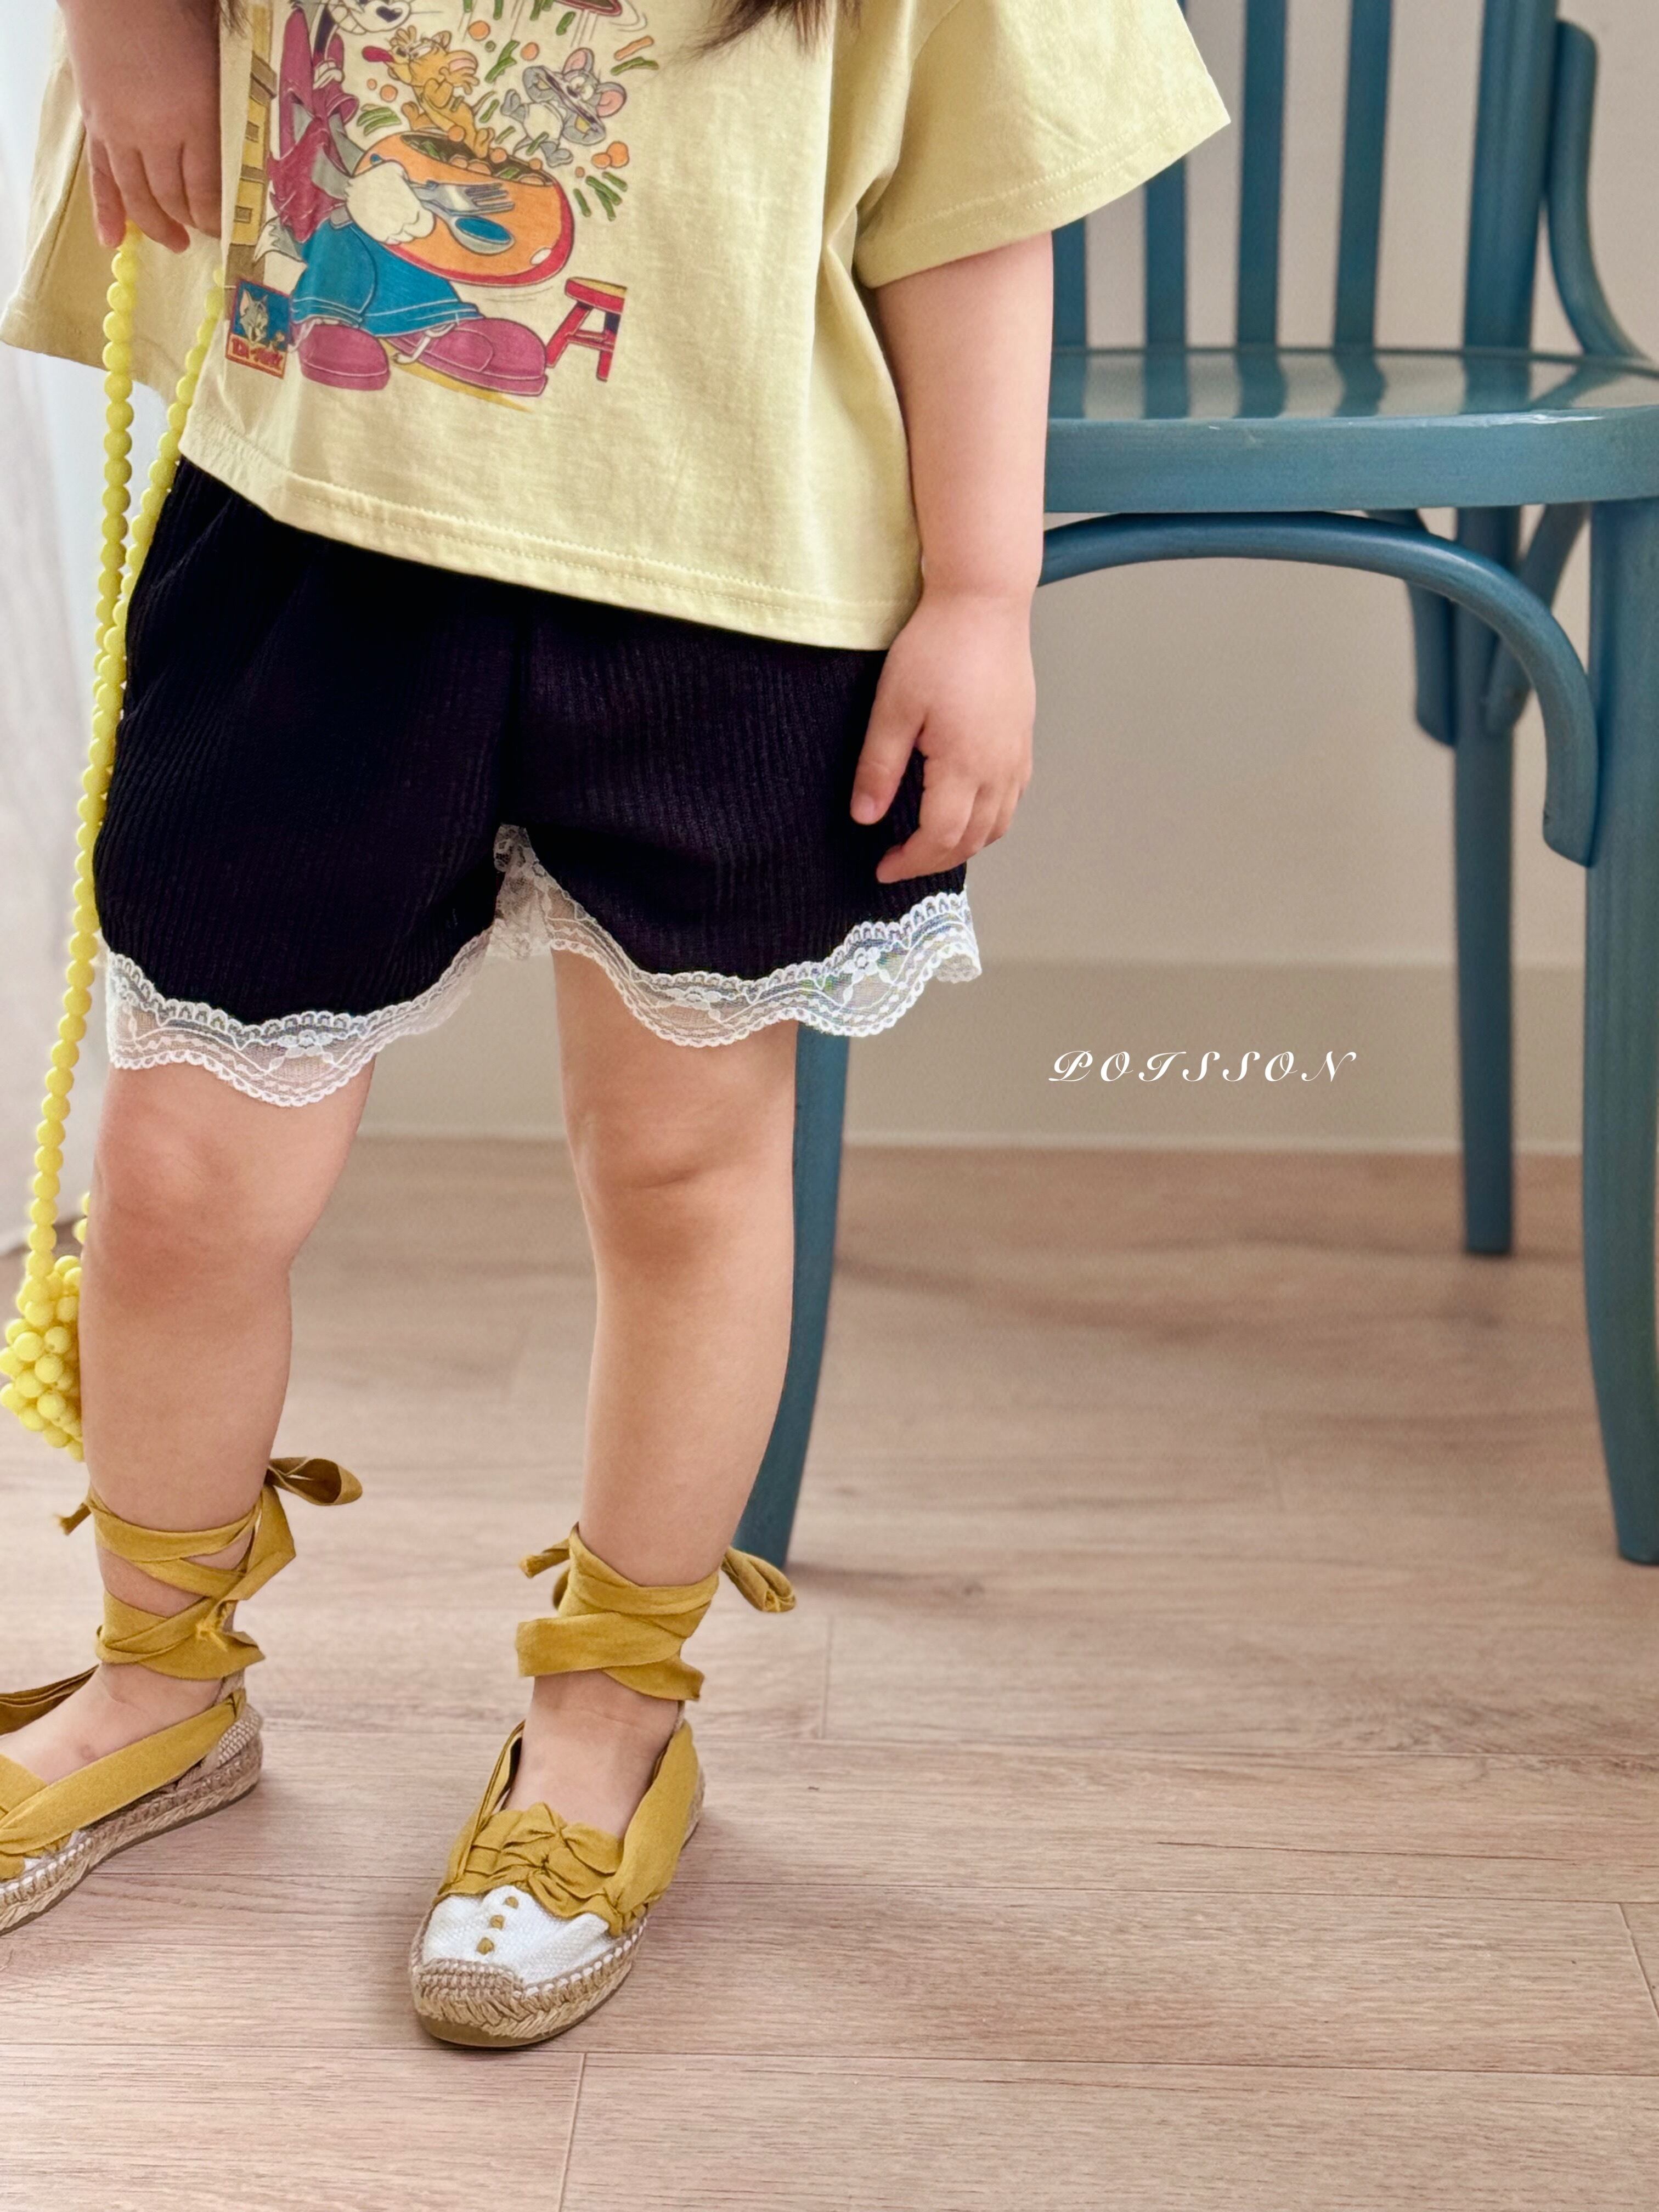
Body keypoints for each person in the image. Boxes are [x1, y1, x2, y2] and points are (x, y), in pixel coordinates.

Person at [0, 0, 1224, 2046]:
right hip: (311, 545)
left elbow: (976, 201)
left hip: (737, 583)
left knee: (680, 1168)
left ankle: (609, 1720)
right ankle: (155, 1676)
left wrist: (983, 600)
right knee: (187, 1173)